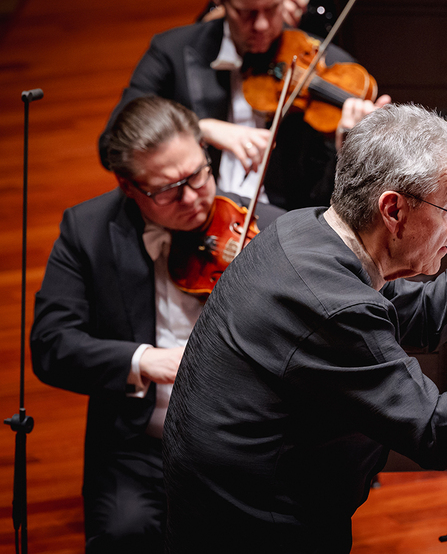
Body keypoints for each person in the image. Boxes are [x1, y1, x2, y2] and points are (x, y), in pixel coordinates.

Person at [162, 103, 447, 552]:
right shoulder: (333, 306)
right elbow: (436, 431)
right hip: (257, 529)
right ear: (394, 210)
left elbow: (419, 315)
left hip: (233, 507)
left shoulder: (305, 230)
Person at [31, 96, 284, 553]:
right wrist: (147, 361)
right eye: (167, 189)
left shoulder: (263, 227)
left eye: (198, 175)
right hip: (140, 445)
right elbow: (51, 345)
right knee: (123, 536)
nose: (192, 199)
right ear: (128, 187)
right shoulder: (86, 232)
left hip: (246, 445)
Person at [100, 0, 390, 211]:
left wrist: (348, 152)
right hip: (194, 218)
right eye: (246, 13)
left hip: (284, 226)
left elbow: (330, 204)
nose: (262, 25)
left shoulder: (334, 68)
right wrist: (199, 129)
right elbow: (111, 147)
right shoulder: (171, 51)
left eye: (272, 7)